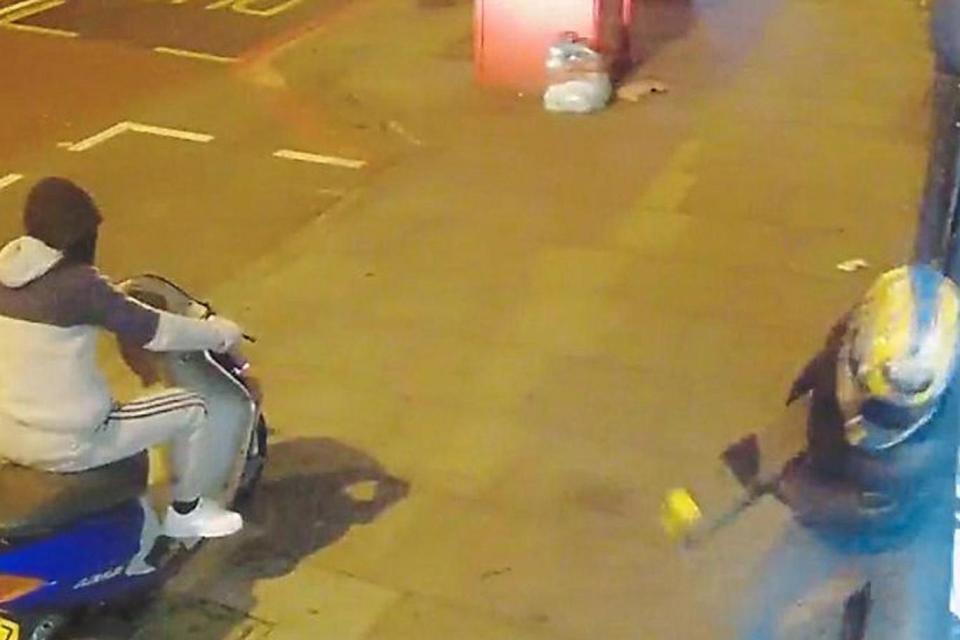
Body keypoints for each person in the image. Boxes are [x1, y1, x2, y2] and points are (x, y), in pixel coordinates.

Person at [0, 176, 247, 538]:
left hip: (9, 433)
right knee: (195, 408)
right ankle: (187, 512)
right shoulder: (79, 283)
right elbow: (158, 331)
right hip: (71, 442)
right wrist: (222, 334)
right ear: (80, 233)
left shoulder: (8, 272)